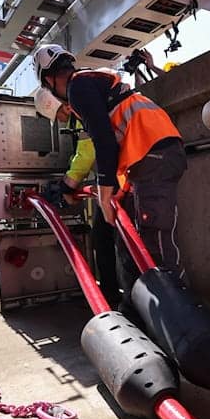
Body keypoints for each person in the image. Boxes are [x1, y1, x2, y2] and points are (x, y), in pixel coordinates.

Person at [32, 44, 187, 306]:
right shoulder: (90, 82)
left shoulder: (77, 87)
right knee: (136, 240)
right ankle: (142, 311)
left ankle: (181, 316)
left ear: (49, 80)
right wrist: (117, 189)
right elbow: (113, 142)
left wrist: (104, 197)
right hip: (153, 153)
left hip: (153, 152)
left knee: (154, 241)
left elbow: (103, 142)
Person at [34, 88, 122, 306]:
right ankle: (112, 299)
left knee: (112, 242)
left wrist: (67, 186)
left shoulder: (82, 111)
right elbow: (83, 152)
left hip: (120, 182)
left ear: (62, 107)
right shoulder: (87, 108)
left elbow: (87, 153)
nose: (62, 122)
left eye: (59, 117)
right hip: (113, 183)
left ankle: (119, 300)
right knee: (102, 240)